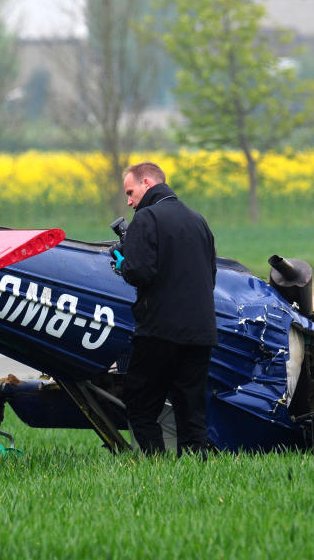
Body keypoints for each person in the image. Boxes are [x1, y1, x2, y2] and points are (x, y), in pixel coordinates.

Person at [113, 162, 217, 456]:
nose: (130, 202)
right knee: (191, 410)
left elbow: (140, 273)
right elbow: (210, 277)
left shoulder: (146, 218)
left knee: (141, 405)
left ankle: (156, 467)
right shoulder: (199, 221)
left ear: (147, 182)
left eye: (131, 192)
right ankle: (196, 468)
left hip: (159, 331)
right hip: (201, 333)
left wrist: (123, 265)